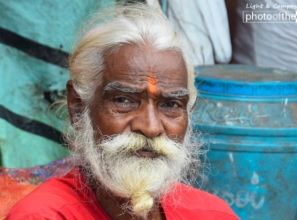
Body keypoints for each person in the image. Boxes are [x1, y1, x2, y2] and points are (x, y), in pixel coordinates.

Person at [6, 3, 239, 220]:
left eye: (170, 105)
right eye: (124, 100)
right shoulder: (45, 215)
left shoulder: (214, 213)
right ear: (77, 107)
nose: (150, 128)